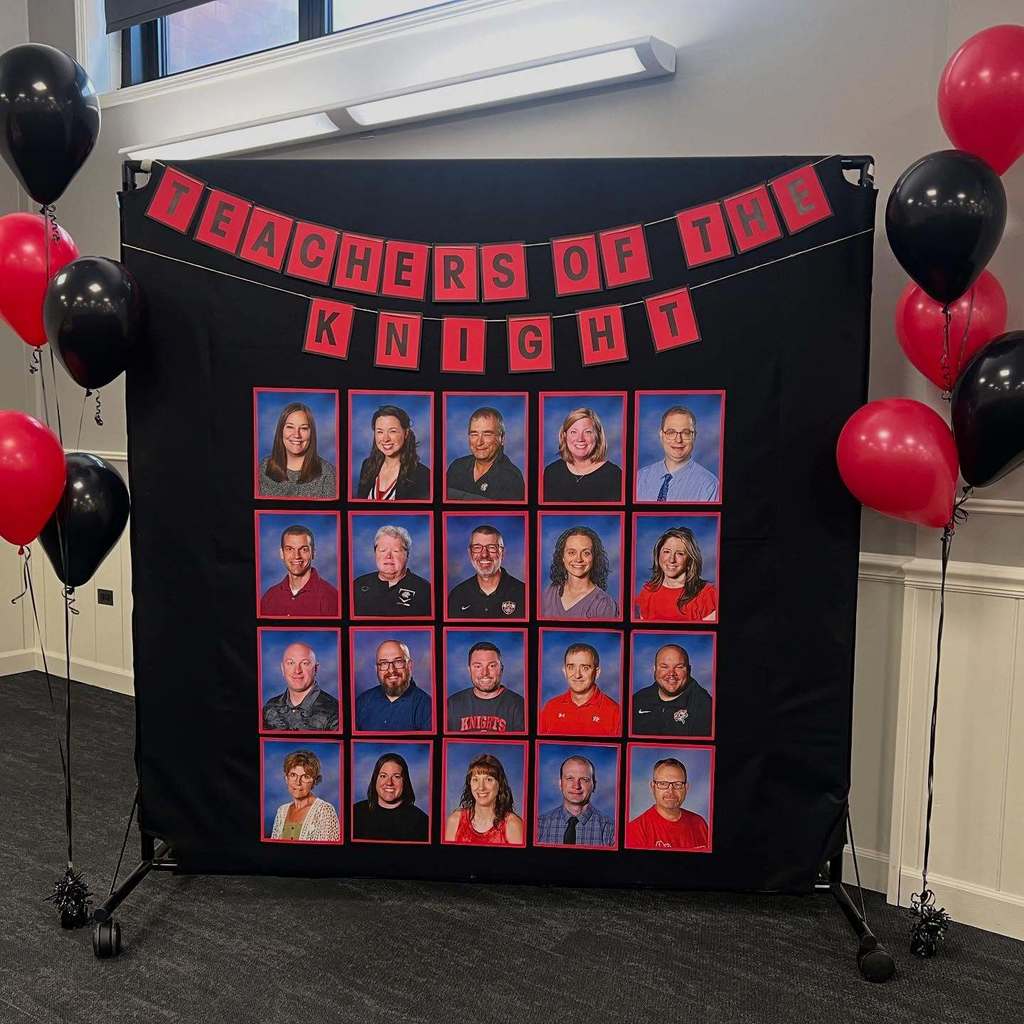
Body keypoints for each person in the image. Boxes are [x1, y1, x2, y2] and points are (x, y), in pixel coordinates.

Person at [636, 405, 719, 503]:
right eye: (671, 432)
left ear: (694, 436)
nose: (678, 440)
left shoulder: (710, 486)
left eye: (685, 433)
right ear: (662, 436)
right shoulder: (640, 478)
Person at [635, 526, 718, 623]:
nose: (671, 560)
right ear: (658, 555)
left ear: (690, 559)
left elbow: (707, 637)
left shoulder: (707, 595)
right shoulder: (647, 593)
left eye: (680, 553)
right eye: (666, 552)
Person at [626, 757, 709, 851]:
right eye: (663, 783)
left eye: (677, 784)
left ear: (686, 788)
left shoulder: (699, 824)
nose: (670, 791)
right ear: (653, 787)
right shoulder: (635, 830)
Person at [539, 642, 621, 735]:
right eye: (571, 667)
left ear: (597, 673)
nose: (577, 675)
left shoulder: (615, 713)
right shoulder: (550, 708)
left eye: (585, 668)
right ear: (564, 671)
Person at [258, 401, 337, 498]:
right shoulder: (262, 468)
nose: (296, 435)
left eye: (303, 428)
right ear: (280, 431)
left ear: (311, 433)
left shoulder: (329, 474)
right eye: (290, 427)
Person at [542, 406, 622, 501]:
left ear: (597, 436)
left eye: (588, 432)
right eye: (573, 432)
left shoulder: (614, 475)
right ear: (564, 436)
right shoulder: (551, 472)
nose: (580, 439)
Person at [445, 406, 525, 501]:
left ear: (502, 439)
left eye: (487, 434)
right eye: (474, 434)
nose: (479, 442)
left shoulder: (511, 479)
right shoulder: (456, 467)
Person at [447, 524, 526, 619]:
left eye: (492, 547)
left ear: (502, 553)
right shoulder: (457, 596)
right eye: (477, 547)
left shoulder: (524, 594)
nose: (484, 554)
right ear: (470, 553)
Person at [632, 644, 712, 737]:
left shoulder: (705, 707)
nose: (671, 674)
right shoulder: (637, 700)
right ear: (654, 669)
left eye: (679, 667)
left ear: (689, 670)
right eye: (664, 667)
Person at [444, 753, 524, 845]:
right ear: (469, 784)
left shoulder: (512, 825)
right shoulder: (455, 821)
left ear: (500, 785)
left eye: (488, 780)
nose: (481, 787)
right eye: (475, 780)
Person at [260, 524, 339, 617]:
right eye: (289, 549)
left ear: (313, 553)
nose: (296, 556)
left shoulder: (331, 598)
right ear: (282, 553)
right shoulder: (269, 596)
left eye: (304, 549)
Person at [540, 526, 619, 619]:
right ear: (562, 557)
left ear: (594, 558)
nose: (578, 559)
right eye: (572, 552)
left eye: (586, 553)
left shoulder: (604, 604)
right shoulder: (550, 592)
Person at [355, 404, 430, 501]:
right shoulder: (367, 466)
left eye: (392, 431)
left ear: (406, 433)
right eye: (380, 432)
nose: (385, 439)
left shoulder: (422, 474)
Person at [536, 755, 615, 847]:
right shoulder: (539, 825)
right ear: (560, 784)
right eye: (570, 778)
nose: (576, 786)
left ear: (594, 785)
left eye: (584, 779)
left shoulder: (611, 829)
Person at [446, 641, 525, 733]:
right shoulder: (452, 704)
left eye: (492, 666)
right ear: (469, 670)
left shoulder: (519, 706)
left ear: (501, 669)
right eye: (478, 666)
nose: (485, 673)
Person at [353, 524, 431, 616]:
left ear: (407, 554)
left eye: (396, 551)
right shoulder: (357, 585)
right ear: (375, 553)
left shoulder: (425, 590)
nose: (388, 556)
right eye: (382, 550)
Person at [355, 639, 433, 731]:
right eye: (384, 663)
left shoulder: (427, 707)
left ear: (409, 665)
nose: (391, 670)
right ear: (377, 669)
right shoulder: (362, 702)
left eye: (398, 662)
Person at [262, 640, 339, 731]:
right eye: (291, 663)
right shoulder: (270, 707)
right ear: (283, 669)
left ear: (315, 668)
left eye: (304, 663)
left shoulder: (335, 711)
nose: (297, 670)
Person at [352, 751, 429, 842]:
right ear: (375, 780)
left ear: (405, 781)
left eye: (396, 777)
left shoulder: (421, 821)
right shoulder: (355, 813)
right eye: (383, 776)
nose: (389, 783)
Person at [270, 750, 340, 841]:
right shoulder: (281, 811)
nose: (298, 782)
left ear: (315, 781)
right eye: (293, 775)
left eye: (305, 776)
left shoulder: (325, 811)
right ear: (286, 778)